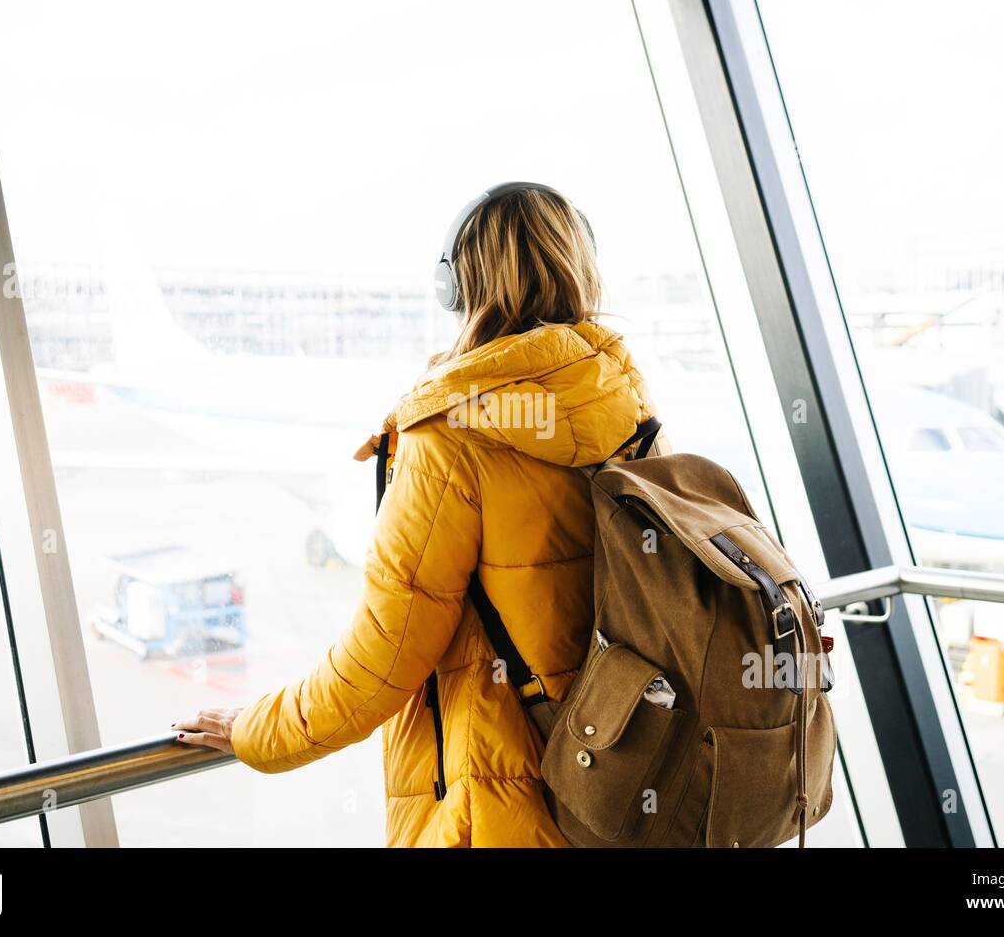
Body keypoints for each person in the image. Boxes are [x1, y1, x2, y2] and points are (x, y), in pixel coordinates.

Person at [173, 183, 658, 847]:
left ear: (454, 285)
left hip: (500, 810)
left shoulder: (452, 434)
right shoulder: (631, 411)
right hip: (618, 786)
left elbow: (383, 658)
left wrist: (257, 730)